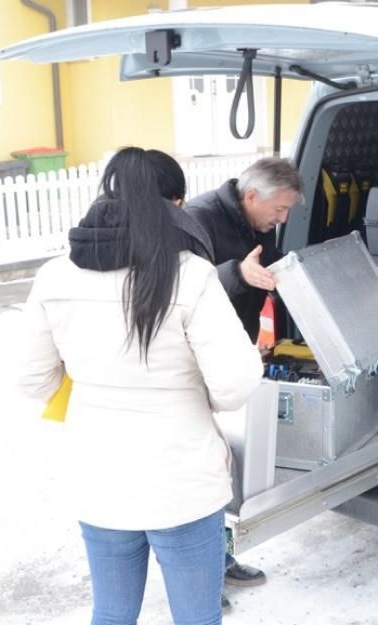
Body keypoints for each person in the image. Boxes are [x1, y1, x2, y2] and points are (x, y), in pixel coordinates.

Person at [18, 147, 262, 625]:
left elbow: (30, 377)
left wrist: (93, 388)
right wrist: (197, 398)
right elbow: (235, 382)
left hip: (98, 477)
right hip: (183, 481)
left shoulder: (55, 276)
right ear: (175, 205)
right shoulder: (190, 275)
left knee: (112, 614)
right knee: (196, 618)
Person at [185, 157, 304, 343]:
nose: (283, 219)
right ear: (251, 196)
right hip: (202, 346)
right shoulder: (198, 217)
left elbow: (268, 264)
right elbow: (186, 288)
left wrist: (299, 267)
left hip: (243, 341)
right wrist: (239, 274)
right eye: (279, 209)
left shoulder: (262, 224)